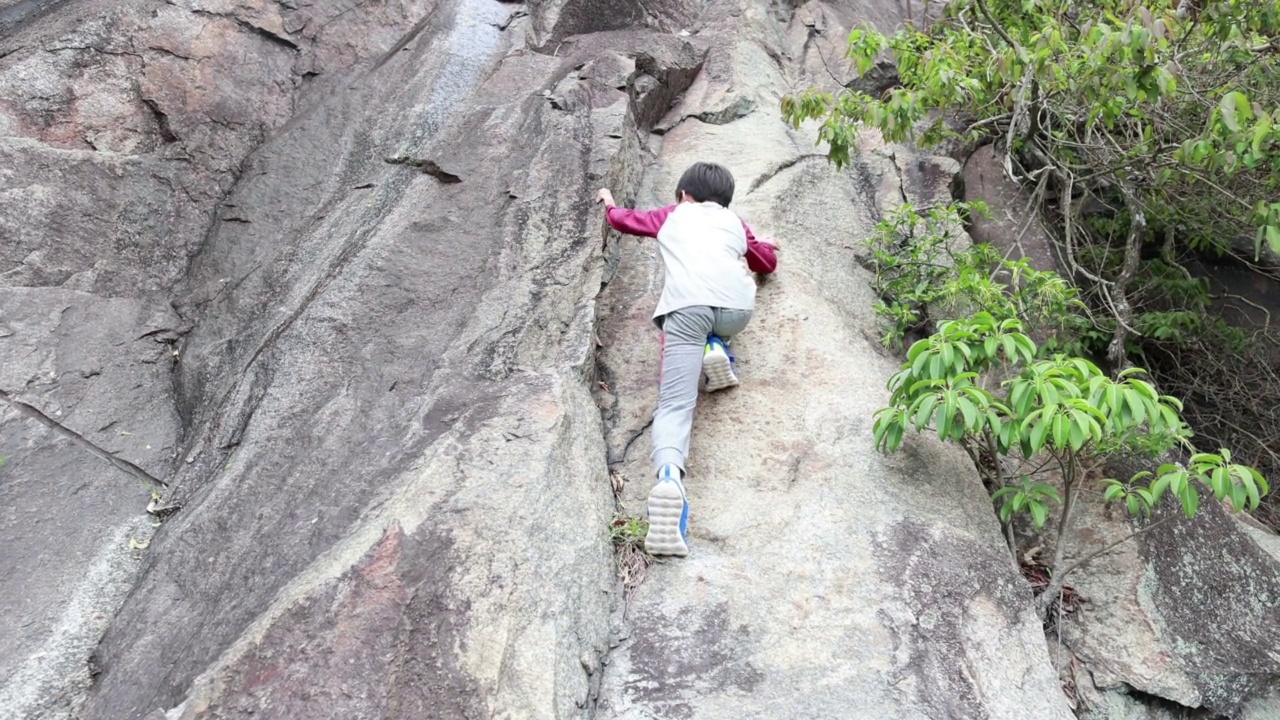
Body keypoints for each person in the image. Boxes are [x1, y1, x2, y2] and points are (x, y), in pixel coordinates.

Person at [596, 162, 779, 557]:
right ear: (725, 199)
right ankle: (717, 346)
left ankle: (667, 479)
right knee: (723, 315)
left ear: (683, 194)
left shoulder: (672, 215)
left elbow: (627, 221)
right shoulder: (734, 221)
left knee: (675, 405)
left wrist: (609, 205)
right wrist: (761, 243)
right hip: (735, 312)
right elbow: (766, 262)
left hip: (686, 312)